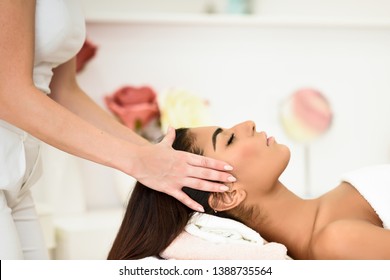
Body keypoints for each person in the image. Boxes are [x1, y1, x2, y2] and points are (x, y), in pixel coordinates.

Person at [0, 0, 234, 259]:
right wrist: (138, 161)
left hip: (18, 180)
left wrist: (157, 156)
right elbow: (7, 93)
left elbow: (62, 92)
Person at [108, 120, 390, 260]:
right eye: (229, 139)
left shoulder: (333, 210)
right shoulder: (337, 241)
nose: (248, 124)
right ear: (227, 195)